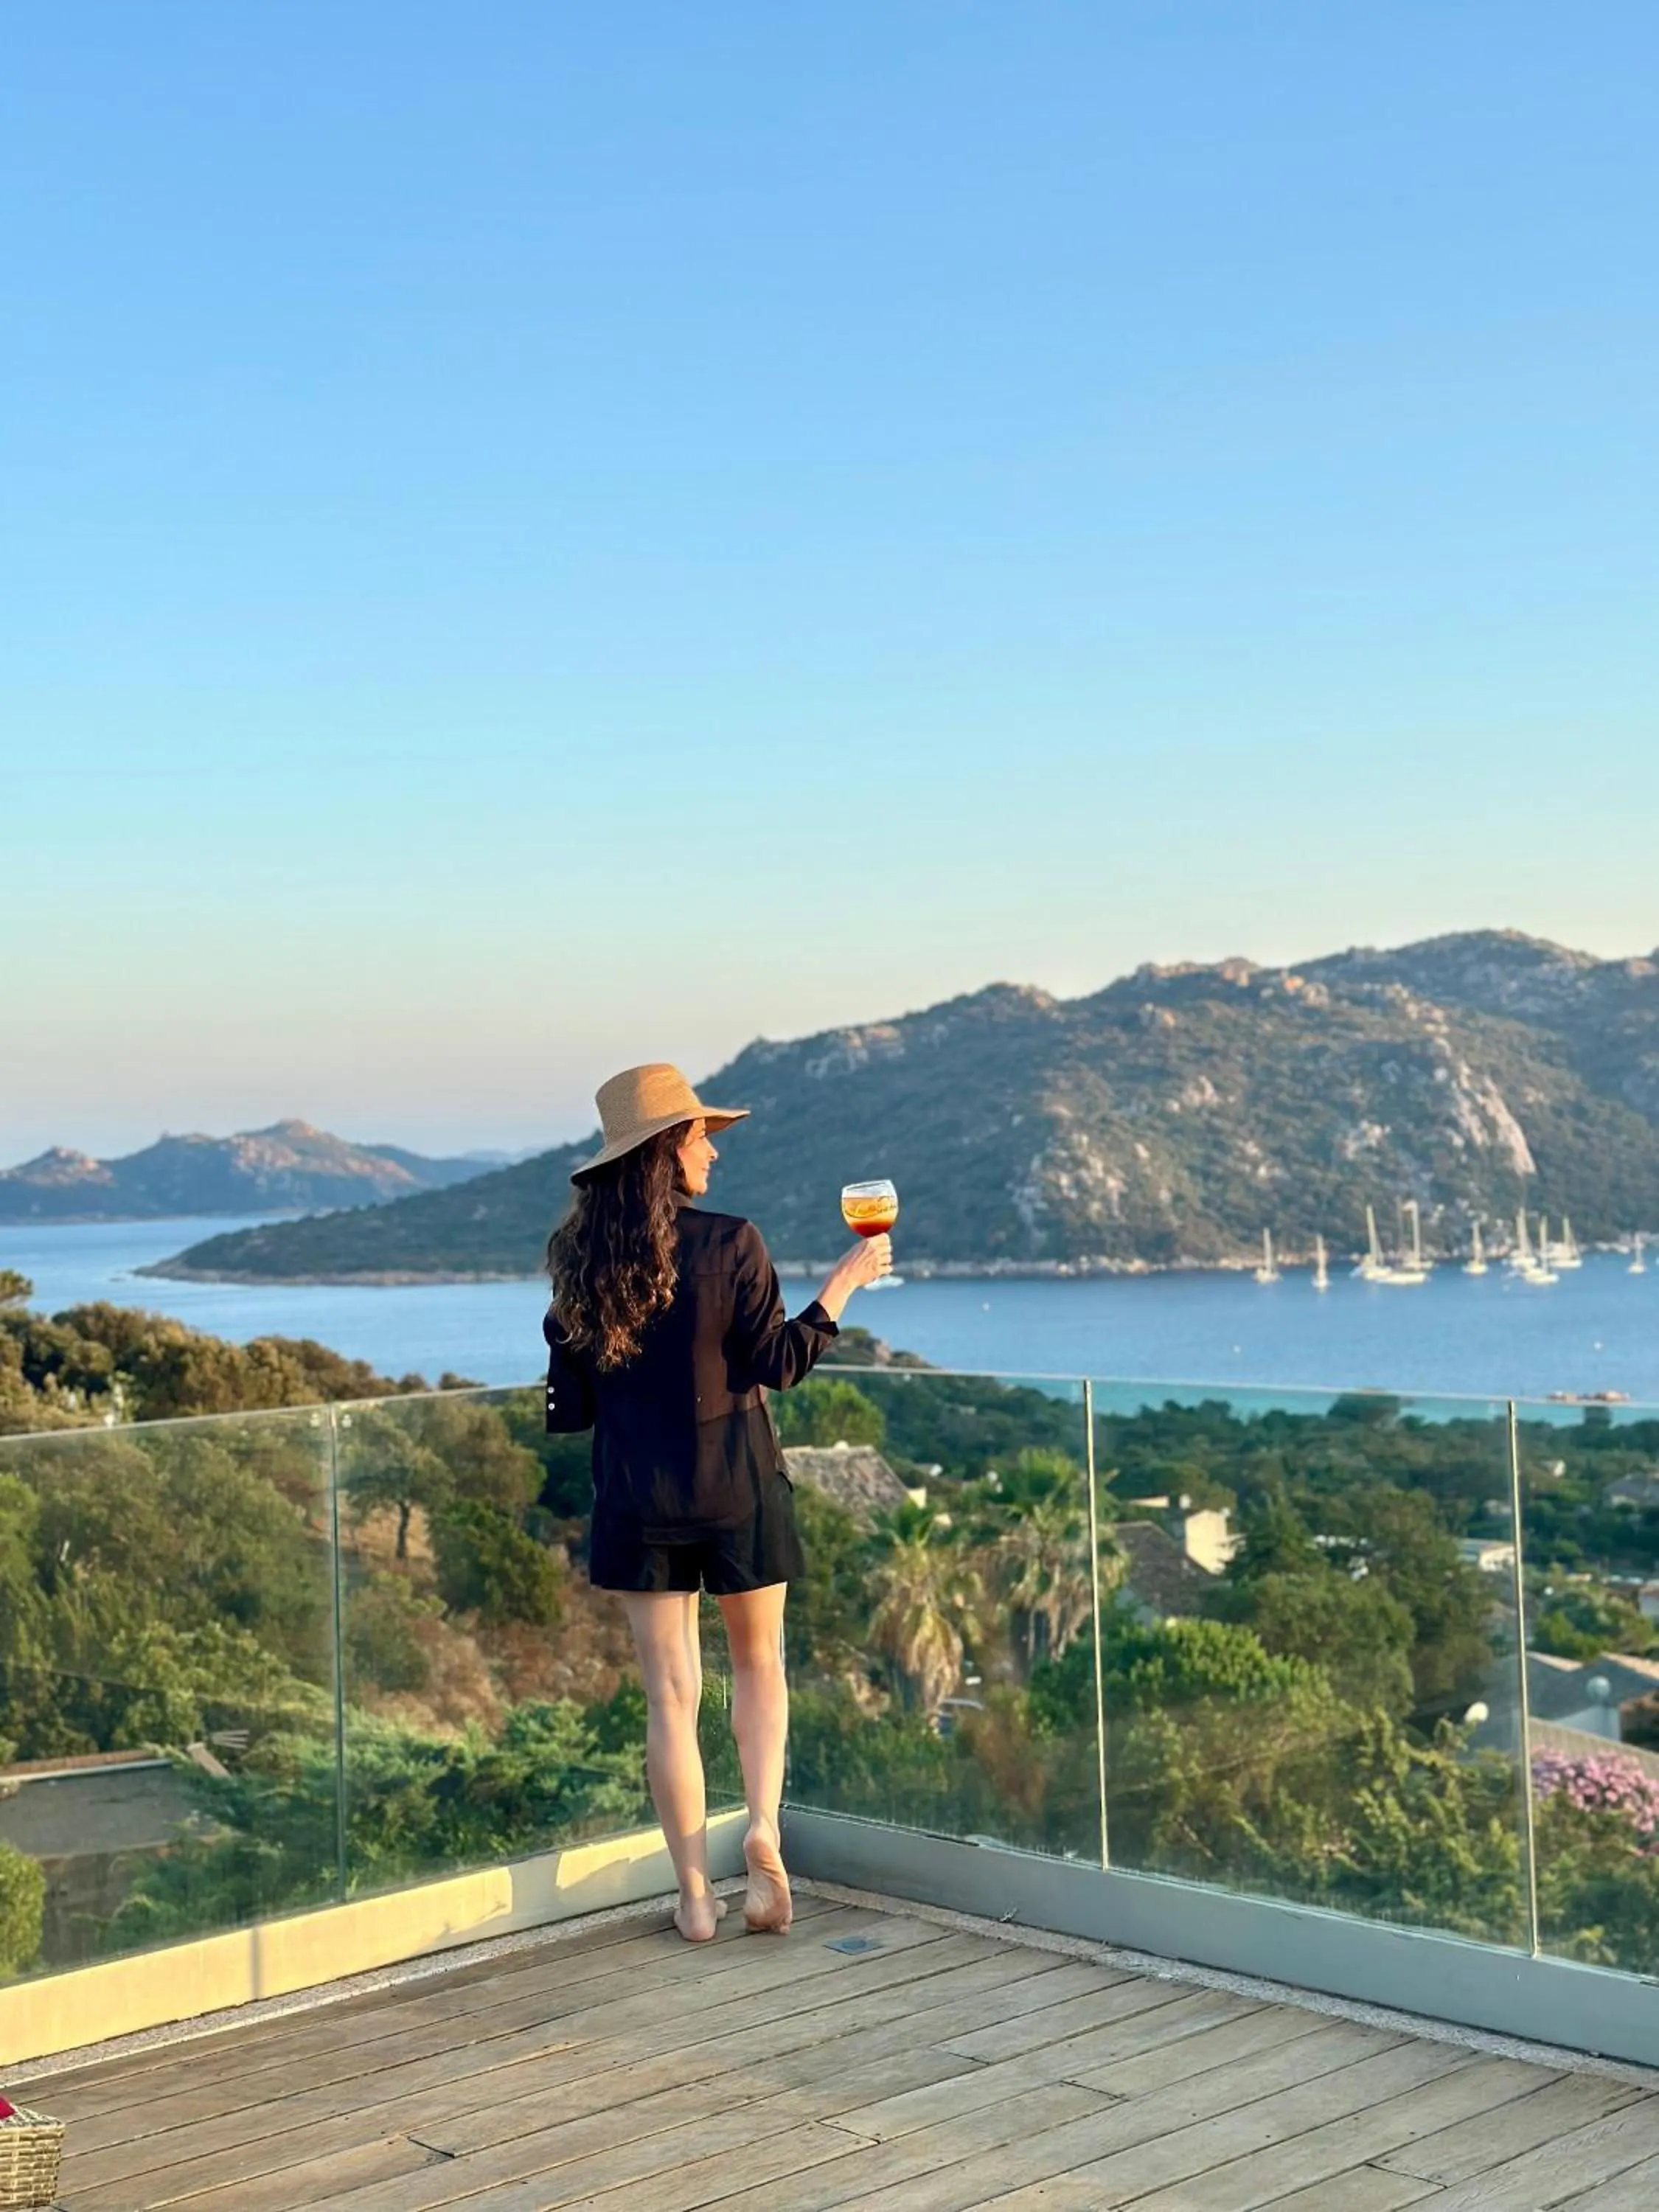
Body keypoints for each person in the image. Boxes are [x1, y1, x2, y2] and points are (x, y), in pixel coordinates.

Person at [543, 1062, 891, 1942]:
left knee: (671, 1697)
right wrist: (843, 1284)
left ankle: (695, 1898)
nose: (714, 1154)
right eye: (702, 1137)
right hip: (737, 1484)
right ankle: (763, 1828)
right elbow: (779, 1362)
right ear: (667, 1148)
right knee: (759, 1665)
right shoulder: (733, 1241)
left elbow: (570, 1409)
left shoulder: (579, 1263)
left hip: (637, 1499)